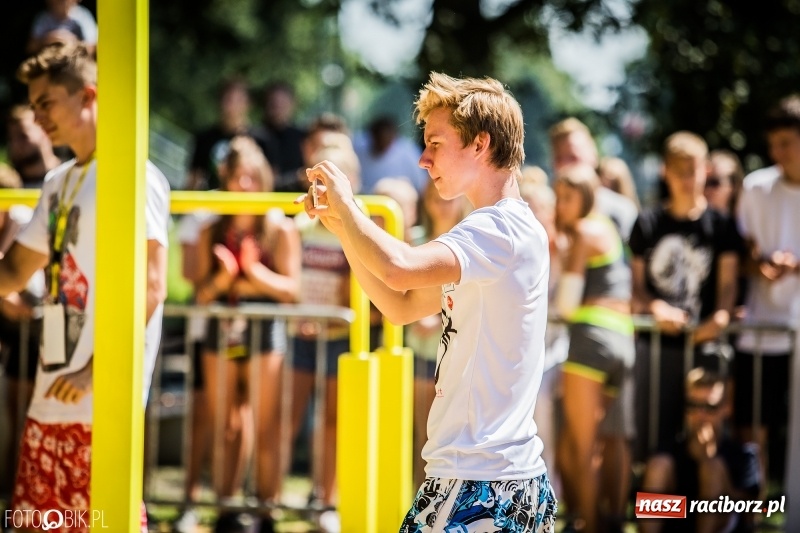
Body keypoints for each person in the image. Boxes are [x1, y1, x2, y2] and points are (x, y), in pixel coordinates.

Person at [299, 71, 557, 531]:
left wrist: (350, 206)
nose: (422, 158)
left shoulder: (498, 228)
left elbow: (398, 265)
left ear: (480, 145)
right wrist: (342, 228)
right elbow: (400, 306)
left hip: (480, 478)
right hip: (486, 477)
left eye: (435, 143)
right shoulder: (500, 227)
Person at [2, 42, 169, 532]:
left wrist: (95, 372)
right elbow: (13, 272)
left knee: (106, 523)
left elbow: (152, 286)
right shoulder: (57, 180)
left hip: (100, 398)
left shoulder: (134, 174)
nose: (38, 117)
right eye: (32, 106)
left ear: (88, 95)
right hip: (50, 392)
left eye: (46, 103)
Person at [190, 136, 301, 531]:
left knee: (266, 425)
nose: (244, 186)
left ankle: (267, 511)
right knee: (226, 423)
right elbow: (203, 294)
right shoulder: (210, 229)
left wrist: (251, 275)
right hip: (221, 332)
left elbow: (292, 290)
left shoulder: (279, 228)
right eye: (236, 177)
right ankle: (225, 508)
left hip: (265, 332)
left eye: (252, 177)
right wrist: (224, 280)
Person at [629, 132, 742, 458]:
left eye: (691, 170)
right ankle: (658, 512)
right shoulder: (647, 222)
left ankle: (703, 509)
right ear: (664, 171)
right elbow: (636, 288)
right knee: (656, 450)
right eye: (677, 171)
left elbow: (728, 285)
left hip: (706, 350)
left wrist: (718, 318)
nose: (685, 179)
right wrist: (655, 308)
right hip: (657, 350)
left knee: (706, 445)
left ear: (705, 170)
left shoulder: (722, 225)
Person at [552, 164, 635, 533]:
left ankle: (592, 525)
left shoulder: (584, 232)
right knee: (586, 445)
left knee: (581, 448)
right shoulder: (608, 229)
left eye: (567, 197)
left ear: (585, 197)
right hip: (624, 341)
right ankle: (607, 520)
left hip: (592, 340)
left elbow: (566, 306)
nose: (561, 204)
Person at [289, 139, 361, 533]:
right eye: (319, 178)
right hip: (300, 334)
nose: (323, 187)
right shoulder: (301, 224)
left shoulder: (358, 222)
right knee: (290, 415)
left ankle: (325, 498)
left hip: (338, 335)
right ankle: (268, 496)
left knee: (333, 420)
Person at [733, 94, 800, 488]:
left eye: (786, 143)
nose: (776, 152)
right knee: (753, 434)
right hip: (762, 332)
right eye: (773, 143)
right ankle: (751, 518)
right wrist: (761, 266)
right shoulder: (757, 188)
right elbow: (740, 255)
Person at [641, 368, 761, 533]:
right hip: (680, 519)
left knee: (712, 468)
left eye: (710, 407)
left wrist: (710, 460)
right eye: (693, 405)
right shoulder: (669, 452)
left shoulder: (743, 454)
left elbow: (750, 513)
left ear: (726, 408)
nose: (700, 414)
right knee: (659, 465)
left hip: (724, 522)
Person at [405, 180, 467, 488]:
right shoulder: (414, 239)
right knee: (423, 435)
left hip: (454, 359)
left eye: (447, 197)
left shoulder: (468, 241)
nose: (441, 203)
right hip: (421, 355)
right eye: (434, 197)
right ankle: (420, 499)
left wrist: (437, 319)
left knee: (450, 436)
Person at [518, 178, 568, 504]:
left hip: (559, 350)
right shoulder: (516, 250)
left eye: (539, 208)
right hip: (526, 353)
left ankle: (551, 497)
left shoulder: (566, 251)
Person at [0, 164, 46, 497]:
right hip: (15, 325)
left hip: (31, 328)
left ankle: (19, 492)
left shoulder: (21, 215)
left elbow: (23, 288)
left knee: (24, 414)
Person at [549, 118, 639, 241]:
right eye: (559, 158)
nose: (566, 166)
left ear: (593, 155)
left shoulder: (622, 210)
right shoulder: (544, 213)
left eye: (573, 157)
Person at [186, 78, 277, 192]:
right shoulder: (204, 139)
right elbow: (194, 178)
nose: (232, 105)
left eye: (238, 99)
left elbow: (270, 181)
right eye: (228, 99)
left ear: (248, 103)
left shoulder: (263, 139)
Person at [354, 115, 429, 194]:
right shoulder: (358, 148)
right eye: (378, 138)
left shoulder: (409, 153)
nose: (381, 142)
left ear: (394, 136)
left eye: (385, 138)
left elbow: (422, 186)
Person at [259, 81, 306, 193]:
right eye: (274, 103)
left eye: (282, 102)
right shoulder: (255, 137)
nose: (278, 107)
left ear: (292, 104)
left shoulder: (303, 138)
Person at [6, 104, 64, 189]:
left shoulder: (70, 175)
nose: (15, 144)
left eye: (23, 136)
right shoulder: (10, 186)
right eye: (11, 139)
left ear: (45, 131)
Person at [27, 0, 98, 56]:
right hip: (50, 65)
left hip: (75, 65)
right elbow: (31, 48)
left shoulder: (83, 16)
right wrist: (48, 40)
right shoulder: (43, 18)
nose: (61, 1)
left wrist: (72, 42)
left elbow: (92, 47)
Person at [705, 150, 744, 217]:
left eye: (714, 182)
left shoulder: (746, 221)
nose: (707, 189)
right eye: (705, 182)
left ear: (733, 186)